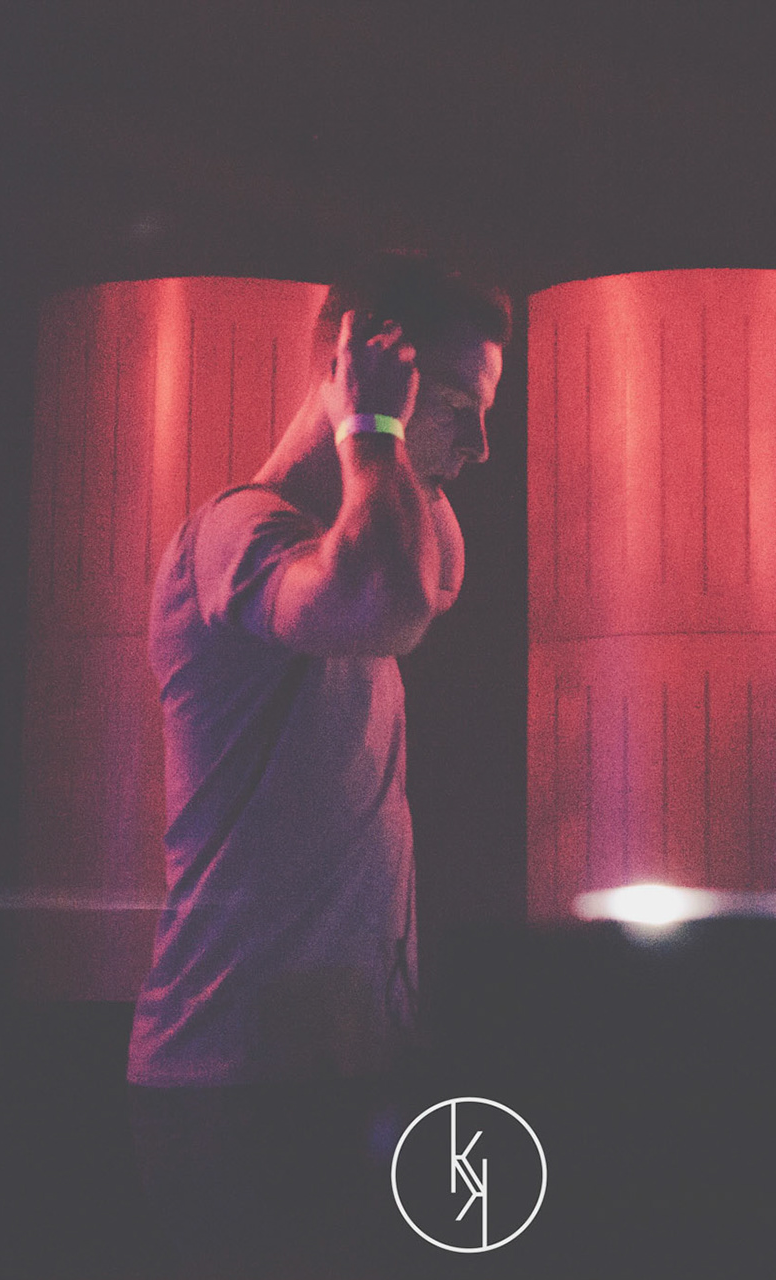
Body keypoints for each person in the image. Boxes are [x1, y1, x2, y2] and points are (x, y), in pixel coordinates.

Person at [126, 253, 509, 1277]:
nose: (480, 446)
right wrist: (371, 427)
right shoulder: (235, 534)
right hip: (235, 1081)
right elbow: (384, 601)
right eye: (458, 408)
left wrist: (388, 446)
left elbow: (430, 577)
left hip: (342, 1064)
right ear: (359, 373)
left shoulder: (377, 531)